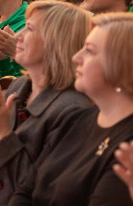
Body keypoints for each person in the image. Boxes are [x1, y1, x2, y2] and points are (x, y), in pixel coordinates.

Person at [0, 0, 93, 206]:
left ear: (57, 42)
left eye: (30, 28)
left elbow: (43, 187)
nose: (18, 35)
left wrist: (3, 137)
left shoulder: (74, 109)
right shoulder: (19, 88)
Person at [9, 12, 133, 206]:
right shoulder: (75, 119)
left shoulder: (128, 146)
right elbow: (25, 189)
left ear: (121, 65)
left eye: (90, 51)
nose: (76, 57)